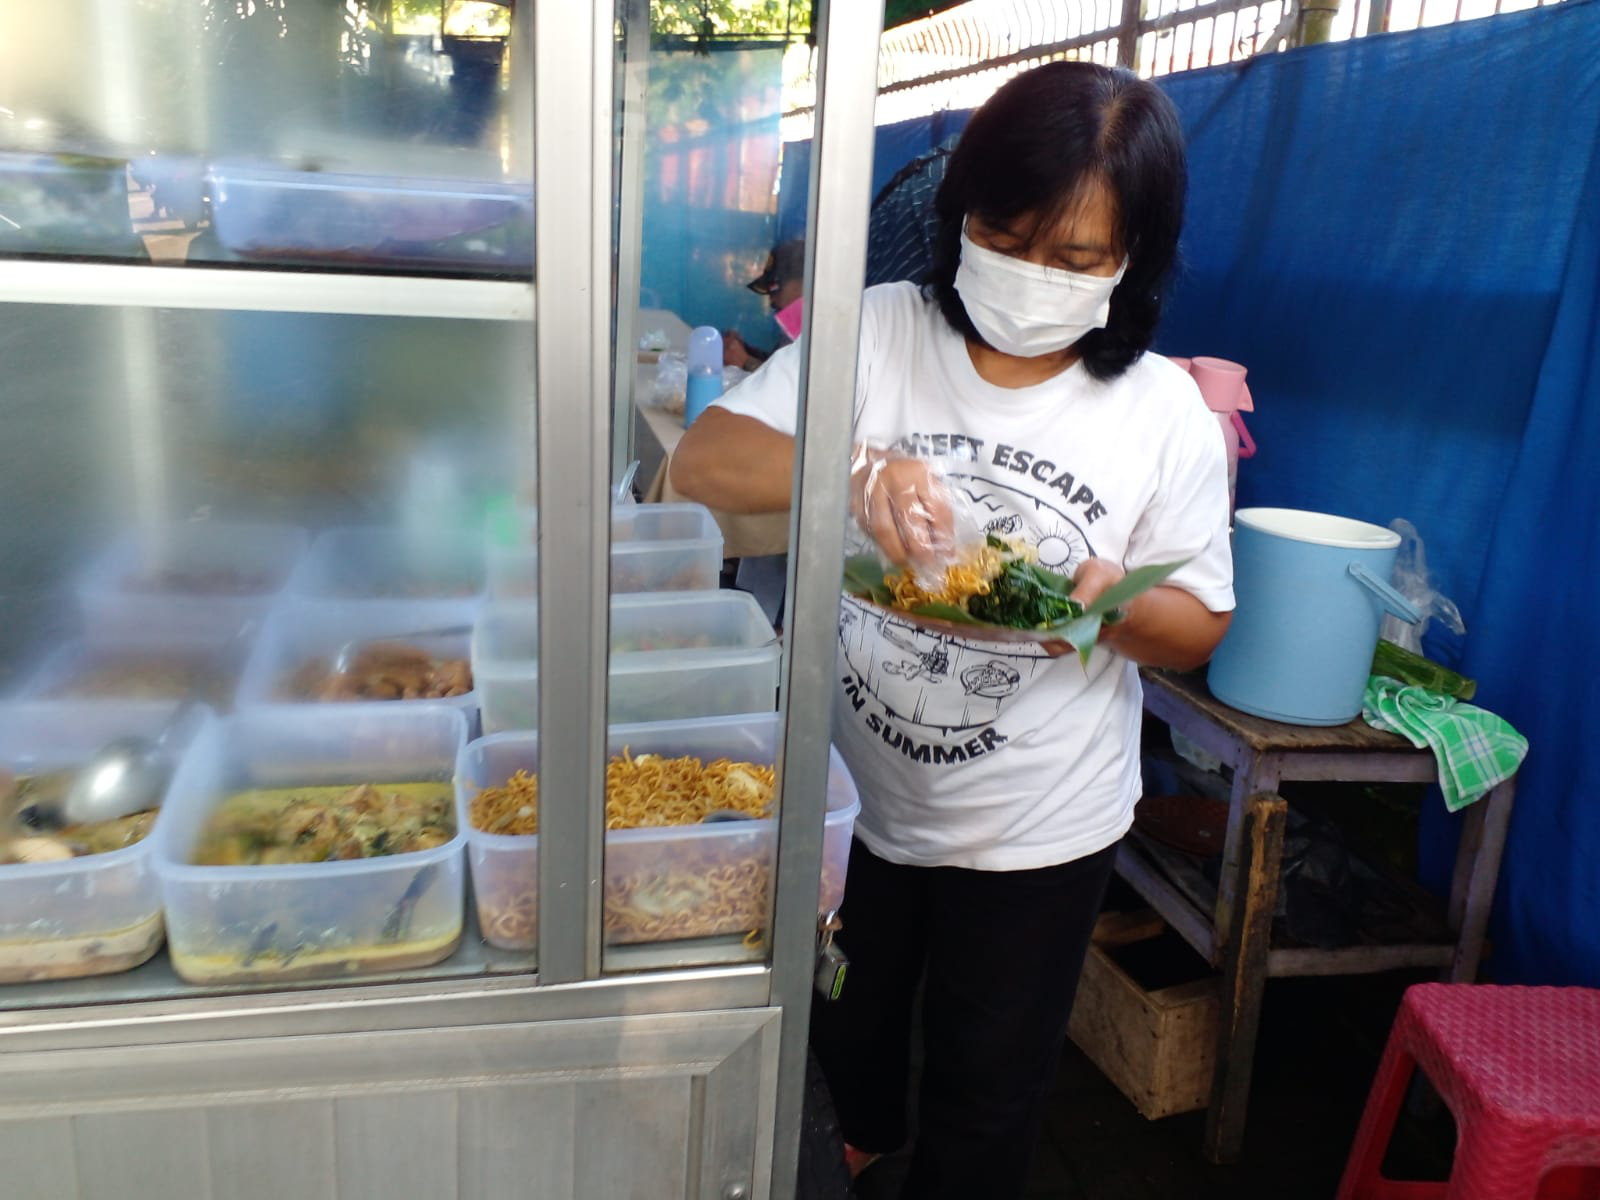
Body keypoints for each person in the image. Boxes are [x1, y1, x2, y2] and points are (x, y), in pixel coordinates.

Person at [672, 62, 1233, 1199]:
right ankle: (865, 1154)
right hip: (849, 806)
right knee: (849, 1048)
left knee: (987, 1096)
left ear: (1134, 263)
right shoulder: (879, 332)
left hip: (1038, 830)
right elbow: (699, 465)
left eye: (1075, 260)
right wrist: (853, 461)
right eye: (1007, 234)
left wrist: (1110, 599)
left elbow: (1199, 628)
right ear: (959, 214)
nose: (1033, 275)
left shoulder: (1163, 409)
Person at [723, 237, 806, 371]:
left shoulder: (816, 329)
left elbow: (790, 386)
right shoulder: (796, 326)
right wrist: (745, 350)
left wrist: (745, 361)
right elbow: (778, 364)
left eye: (775, 290)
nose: (772, 300)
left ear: (801, 284)